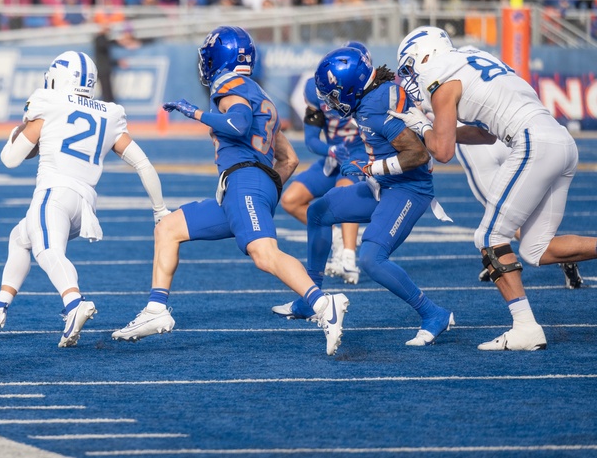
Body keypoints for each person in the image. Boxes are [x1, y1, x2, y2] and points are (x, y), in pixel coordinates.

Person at [111, 26, 349, 356]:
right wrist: (264, 192)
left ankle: (324, 305)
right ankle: (156, 309)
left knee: (264, 254)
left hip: (244, 181)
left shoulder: (229, 84)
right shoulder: (260, 95)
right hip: (246, 185)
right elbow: (290, 159)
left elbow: (237, 124)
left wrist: (193, 112)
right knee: (168, 229)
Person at [392, 26, 597, 350]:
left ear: (424, 55)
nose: (408, 77)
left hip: (534, 142)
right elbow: (486, 135)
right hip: (560, 141)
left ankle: (526, 328)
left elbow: (442, 152)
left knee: (489, 237)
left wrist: (420, 125)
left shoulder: (438, 75)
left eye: (408, 67)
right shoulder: (473, 57)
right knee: (535, 249)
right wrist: (433, 127)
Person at [0, 50, 171, 347]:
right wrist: (159, 209)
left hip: (54, 194)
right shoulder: (109, 112)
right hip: (85, 204)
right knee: (20, 237)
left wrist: (23, 127)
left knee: (46, 250)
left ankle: (75, 303)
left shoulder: (47, 102)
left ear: (58, 77)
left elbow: (10, 159)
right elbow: (143, 164)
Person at [273, 45, 455, 347]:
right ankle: (310, 298)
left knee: (371, 258)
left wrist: (372, 167)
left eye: (334, 94)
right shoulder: (375, 93)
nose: (330, 102)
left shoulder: (372, 106)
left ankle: (433, 313)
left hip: (408, 188)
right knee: (318, 212)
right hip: (386, 184)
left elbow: (418, 155)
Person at [280, 42, 369, 286]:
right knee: (290, 200)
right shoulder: (315, 90)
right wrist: (330, 150)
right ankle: (338, 239)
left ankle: (349, 259)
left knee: (343, 195)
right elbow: (310, 140)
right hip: (332, 156)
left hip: (360, 155)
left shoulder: (372, 91)